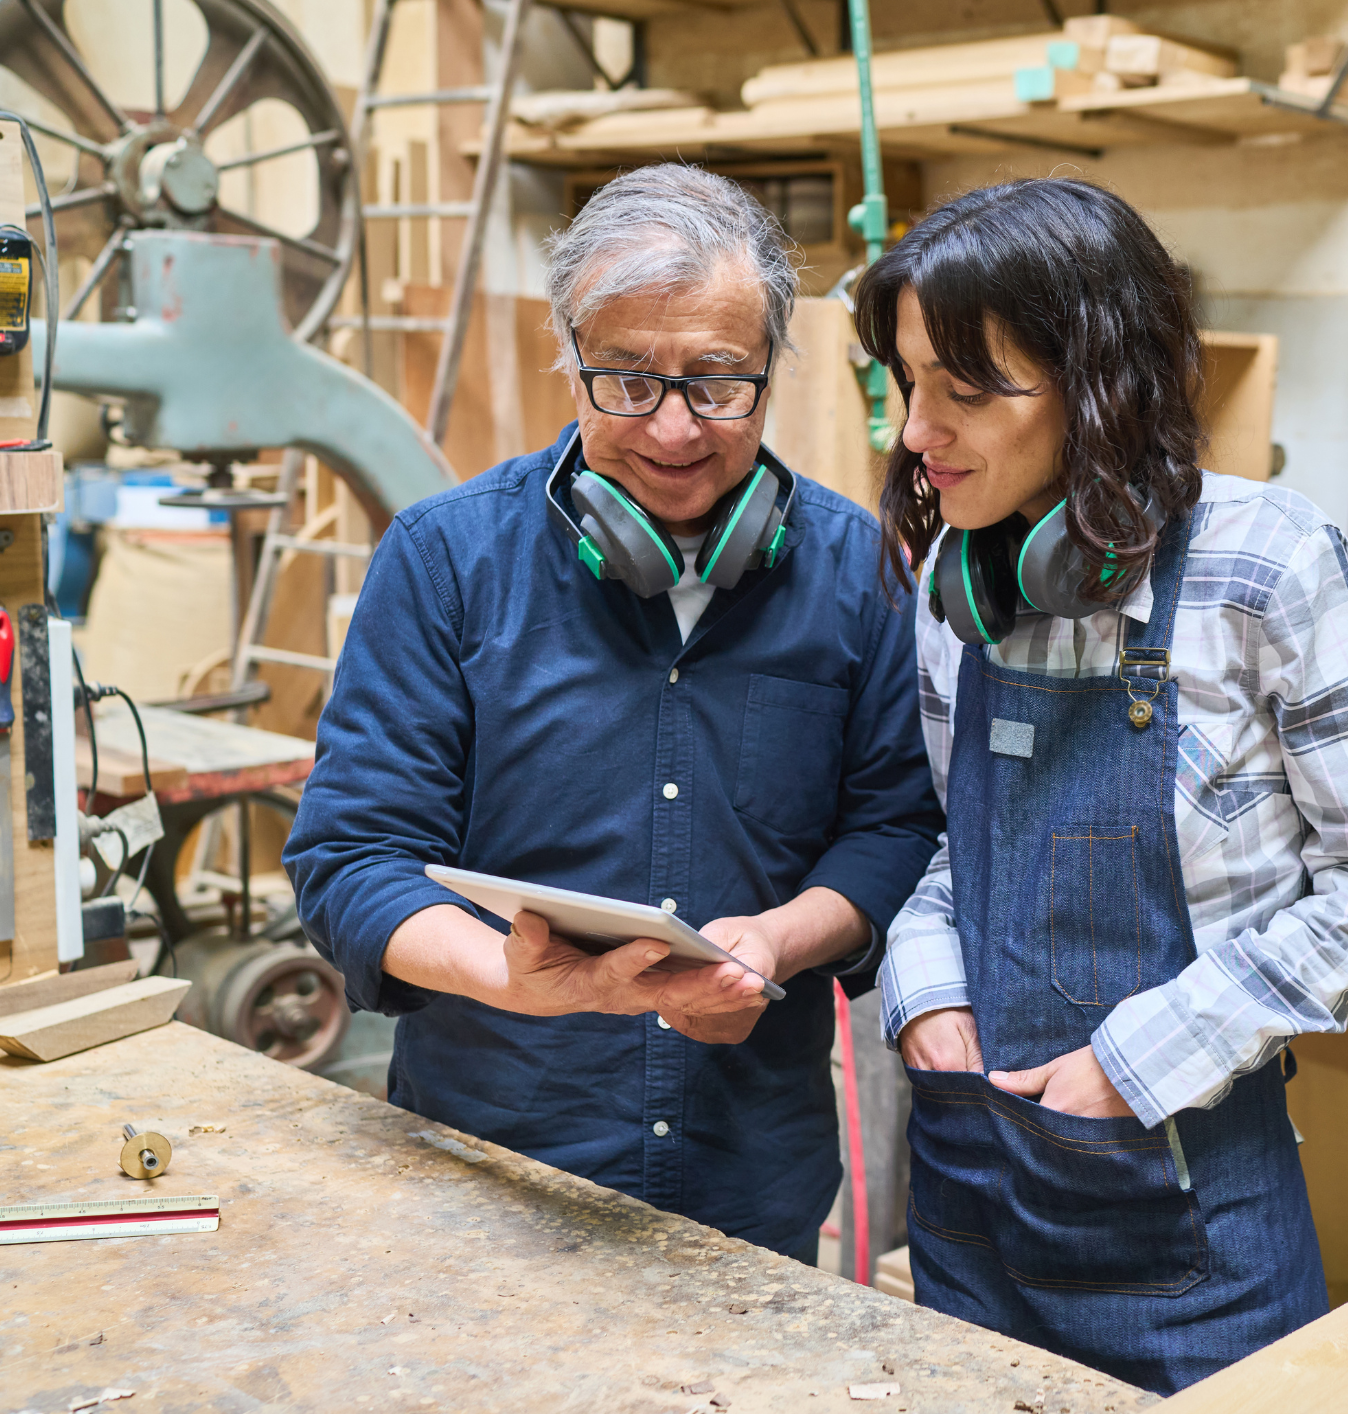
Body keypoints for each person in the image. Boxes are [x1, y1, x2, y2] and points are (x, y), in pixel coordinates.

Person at [854, 178, 1348, 1394]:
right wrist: (925, 1001)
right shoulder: (950, 589)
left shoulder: (1263, 566)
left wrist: (1132, 1065)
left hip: (1188, 1246)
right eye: (907, 382)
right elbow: (952, 851)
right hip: (969, 1202)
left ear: (1099, 384)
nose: (917, 431)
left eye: (965, 390)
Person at [284, 165, 943, 1262]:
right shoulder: (445, 562)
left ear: (771, 369)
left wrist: (777, 940)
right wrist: (519, 977)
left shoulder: (860, 572)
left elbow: (895, 828)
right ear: (568, 358)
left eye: (718, 382)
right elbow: (353, 856)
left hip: (751, 1183)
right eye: (626, 382)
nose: (674, 430)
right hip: (486, 1170)